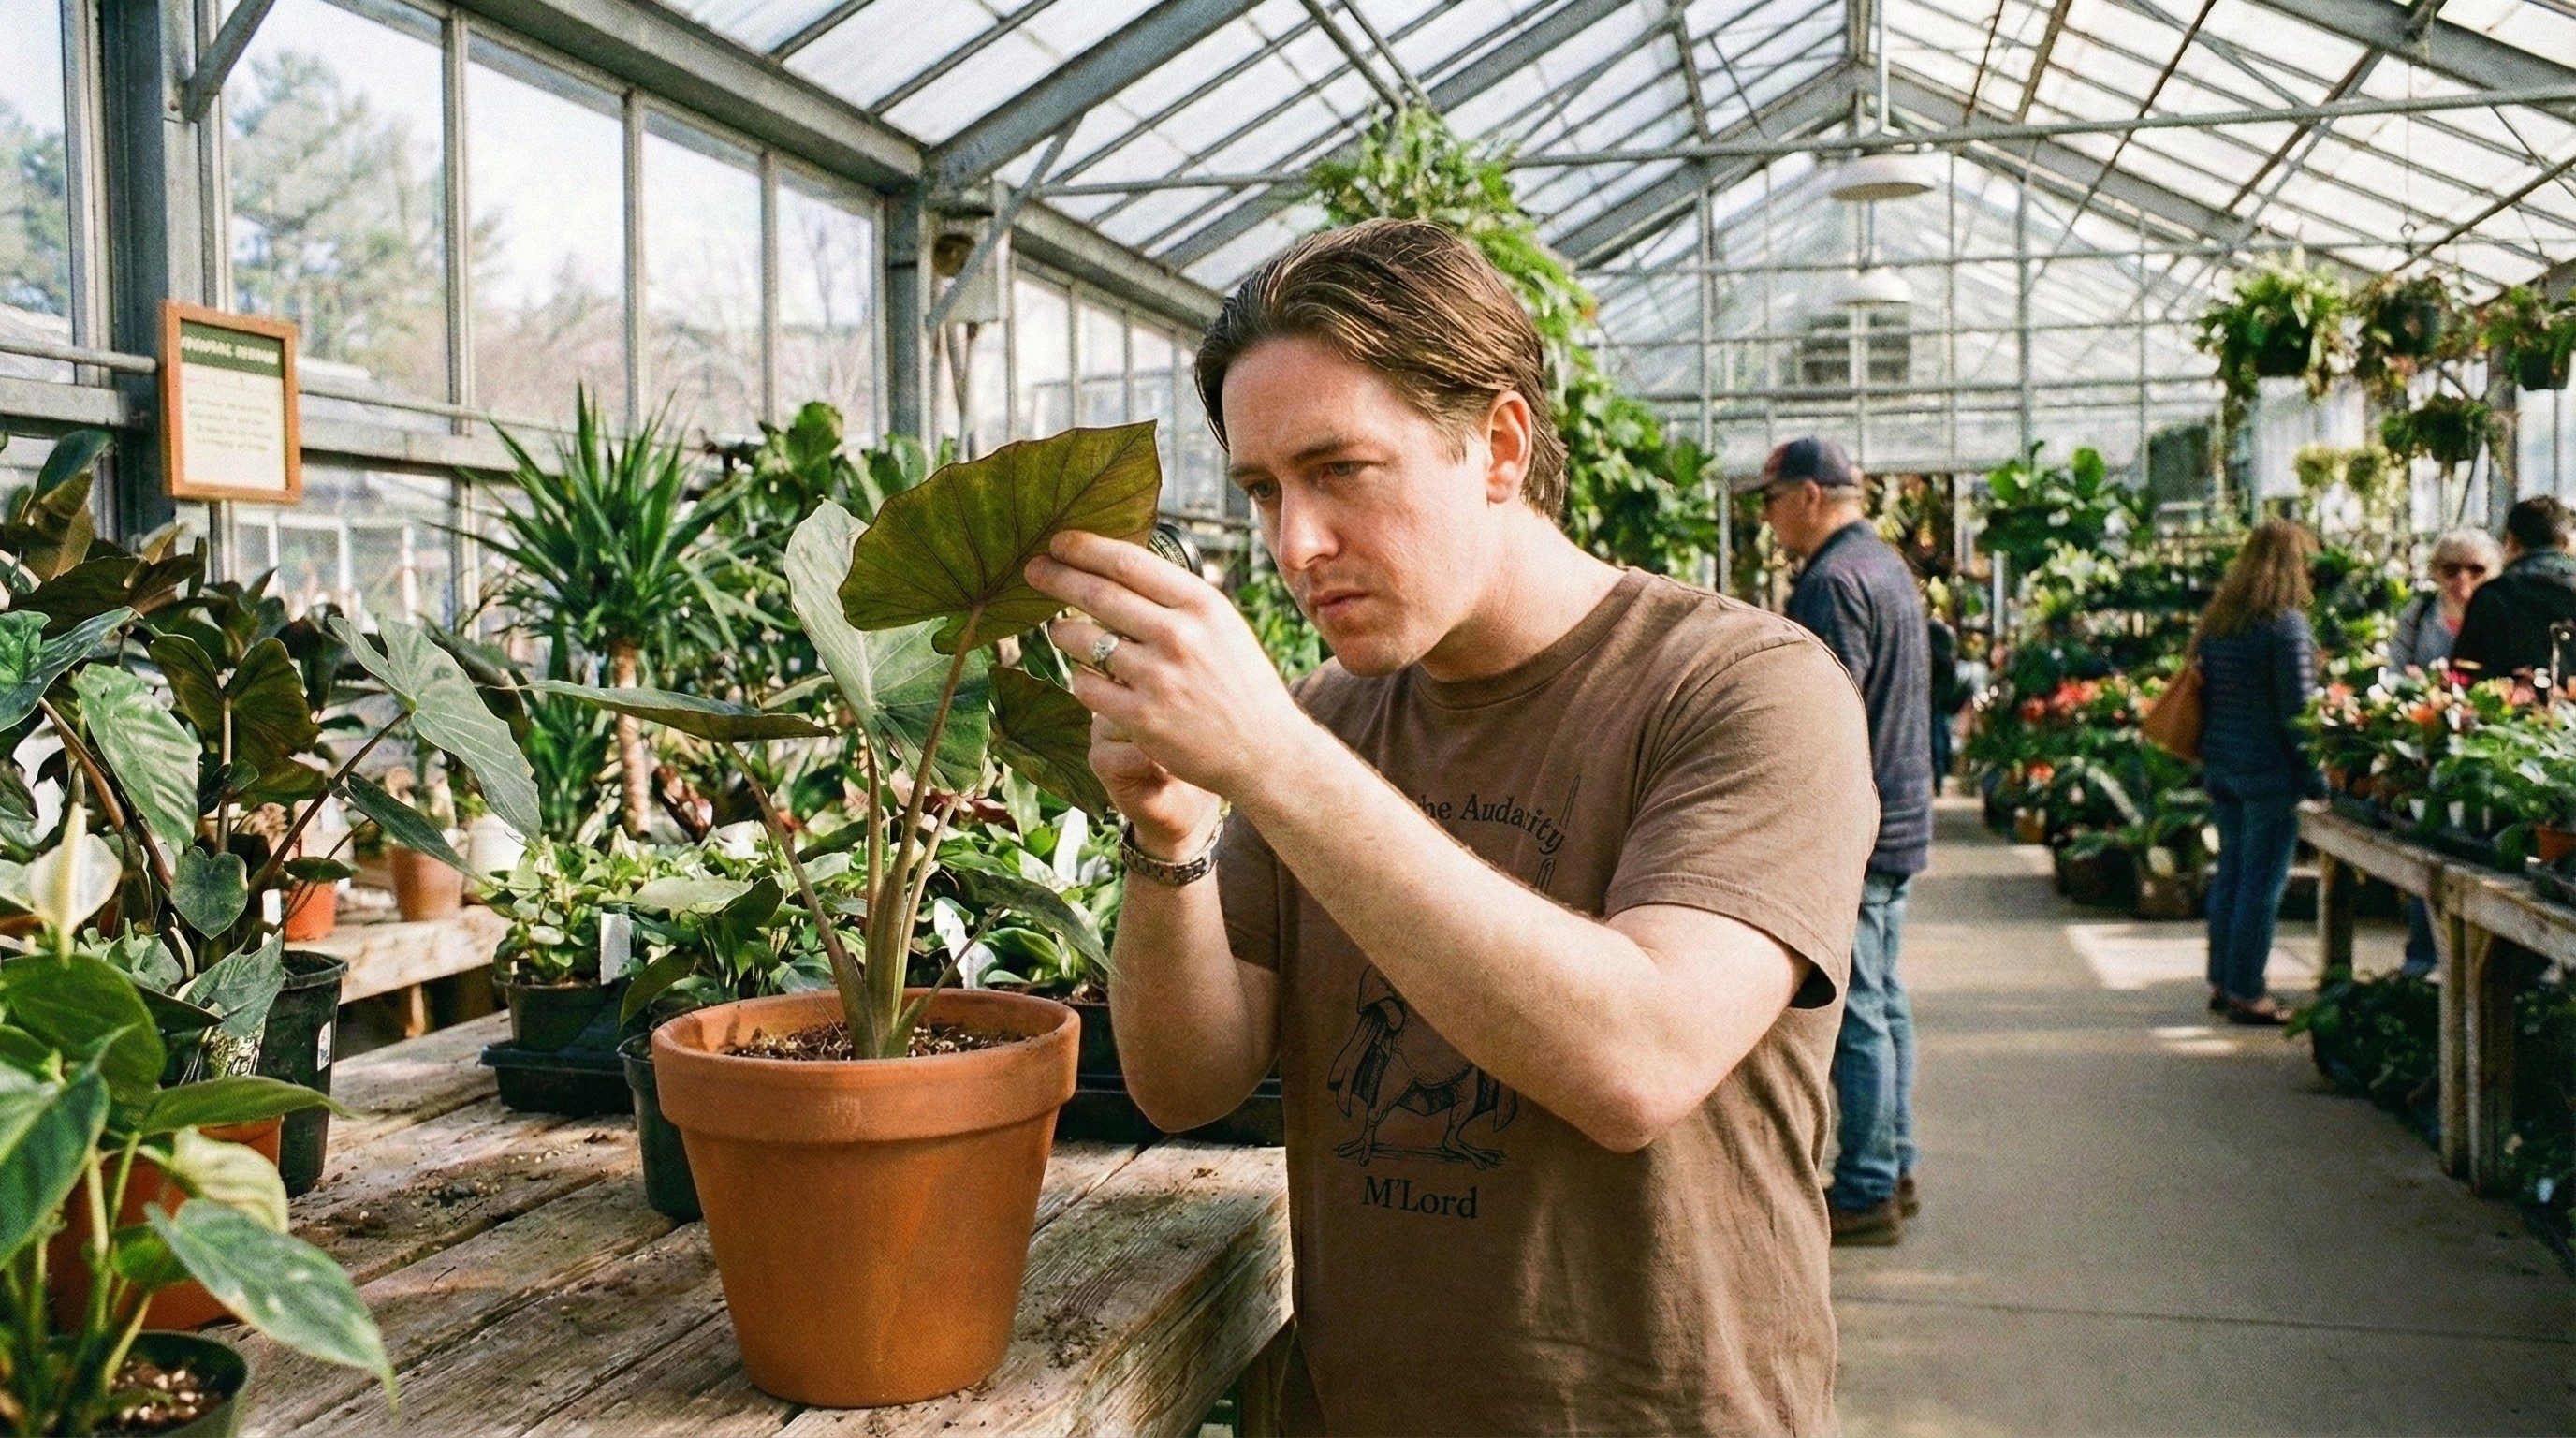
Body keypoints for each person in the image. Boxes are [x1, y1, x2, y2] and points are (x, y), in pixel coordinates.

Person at [1026, 218, 1879, 1435]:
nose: (1293, 545)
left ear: (1498, 446)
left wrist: (1274, 758)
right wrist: (1165, 836)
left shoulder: (1746, 688)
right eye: (1265, 490)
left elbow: (1638, 1062)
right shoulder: (1330, 713)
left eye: (1341, 471)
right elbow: (1188, 1082)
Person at [1738, 436, 1934, 1247]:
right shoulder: (1886, 569)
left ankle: (1864, 1187)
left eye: (1772, 499)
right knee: (1883, 1003)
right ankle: (1893, 1164)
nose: (1769, 517)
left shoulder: (1832, 583)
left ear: (1811, 495)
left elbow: (1824, 713)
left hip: (1862, 825)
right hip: (1903, 812)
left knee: (1855, 1009)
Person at [2193, 519, 2323, 1025]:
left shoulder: (2219, 622)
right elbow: (2300, 711)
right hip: (2268, 775)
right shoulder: (2285, 624)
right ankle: (2248, 990)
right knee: (2261, 883)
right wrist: (2315, 777)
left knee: (2231, 875)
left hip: (2223, 766)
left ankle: (2224, 980)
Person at [2389, 528, 2502, 976]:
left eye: (2476, 569)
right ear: (2435, 572)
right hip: (2429, 756)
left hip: (2487, 761)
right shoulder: (2419, 616)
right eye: (2451, 568)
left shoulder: (2501, 614)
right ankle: (2425, 959)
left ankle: (2486, 971)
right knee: (2427, 852)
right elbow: (2394, 675)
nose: (2462, 579)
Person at [2451, 496, 2576, 682]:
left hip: (2503, 707)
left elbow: (2462, 669)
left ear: (2512, 541)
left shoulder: (2492, 594)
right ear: (2565, 543)